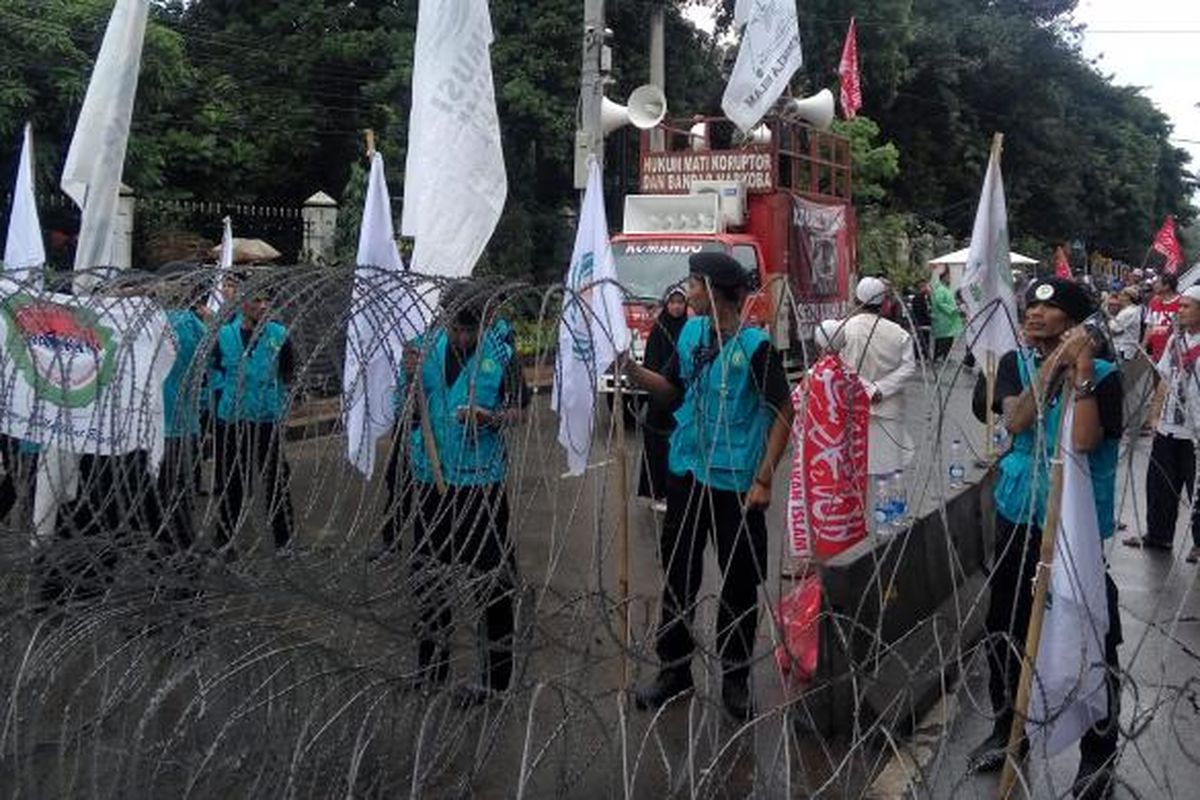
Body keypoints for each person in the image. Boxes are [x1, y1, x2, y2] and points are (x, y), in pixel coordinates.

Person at [968, 277, 1123, 798]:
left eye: (1048, 308)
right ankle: (1007, 726)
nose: (1034, 315)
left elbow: (1083, 440)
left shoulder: (1104, 375)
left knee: (1091, 630)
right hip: (1018, 516)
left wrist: (1079, 368)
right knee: (1004, 624)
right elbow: (1015, 420)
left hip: (1072, 528)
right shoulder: (1016, 365)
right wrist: (1052, 364)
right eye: (1030, 306)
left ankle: (1098, 752)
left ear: (1075, 322)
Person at [622, 252, 793, 722]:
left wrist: (764, 478)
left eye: (693, 283)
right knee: (679, 576)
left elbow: (783, 412)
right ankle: (674, 670)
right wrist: (632, 370)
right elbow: (674, 390)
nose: (688, 290)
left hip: (737, 484)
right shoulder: (693, 333)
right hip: (687, 471)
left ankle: (734, 678)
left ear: (713, 290)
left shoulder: (756, 346)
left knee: (738, 582)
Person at [400, 282, 529, 704]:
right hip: (431, 477)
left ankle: (496, 681)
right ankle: (430, 669)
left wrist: (490, 418)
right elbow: (409, 407)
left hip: (481, 483)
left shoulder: (502, 354)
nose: (461, 338)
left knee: (491, 582)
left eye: (470, 329)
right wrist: (408, 375)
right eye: (456, 327)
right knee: (428, 578)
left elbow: (520, 410)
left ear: (486, 321)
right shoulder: (424, 348)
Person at [211, 286, 297, 558]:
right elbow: (212, 370)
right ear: (241, 305)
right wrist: (222, 396)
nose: (262, 306)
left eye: (265, 300)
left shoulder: (278, 334)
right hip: (233, 419)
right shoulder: (224, 335)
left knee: (275, 481)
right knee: (232, 482)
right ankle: (226, 541)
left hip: (266, 419)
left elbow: (287, 372)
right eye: (256, 300)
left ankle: (284, 541)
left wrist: (278, 404)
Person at [1123, 285, 1200, 563]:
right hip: (1168, 427)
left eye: (1186, 307)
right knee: (1159, 486)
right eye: (1180, 306)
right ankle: (1158, 535)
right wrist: (1154, 416)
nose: (1179, 311)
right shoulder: (1174, 341)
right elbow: (1164, 380)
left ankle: (1198, 543)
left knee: (1197, 489)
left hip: (1195, 434)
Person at [826, 276, 917, 479]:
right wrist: (879, 389)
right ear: (884, 304)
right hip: (888, 411)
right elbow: (909, 366)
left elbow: (836, 364)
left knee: (852, 473)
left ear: (856, 301)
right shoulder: (899, 333)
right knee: (887, 475)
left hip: (851, 409)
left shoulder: (841, 329)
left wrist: (866, 389)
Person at [153, 285, 208, 555]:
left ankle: (161, 547)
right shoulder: (192, 324)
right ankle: (183, 548)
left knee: (156, 494)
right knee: (182, 493)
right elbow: (211, 357)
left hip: (152, 425)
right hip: (184, 423)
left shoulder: (151, 322)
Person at [637, 286, 687, 511]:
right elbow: (652, 364)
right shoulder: (659, 330)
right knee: (659, 448)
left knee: (681, 445)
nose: (677, 307)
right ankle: (659, 494)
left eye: (680, 302)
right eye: (673, 302)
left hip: (682, 398)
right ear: (666, 305)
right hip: (660, 401)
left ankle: (679, 492)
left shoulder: (689, 329)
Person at [930, 269, 964, 363]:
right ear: (943, 278)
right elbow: (939, 302)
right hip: (943, 318)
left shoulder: (946, 289)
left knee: (948, 339)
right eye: (948, 277)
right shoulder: (940, 289)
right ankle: (938, 357)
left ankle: (946, 356)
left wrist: (955, 306)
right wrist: (952, 309)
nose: (950, 279)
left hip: (948, 319)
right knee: (942, 339)